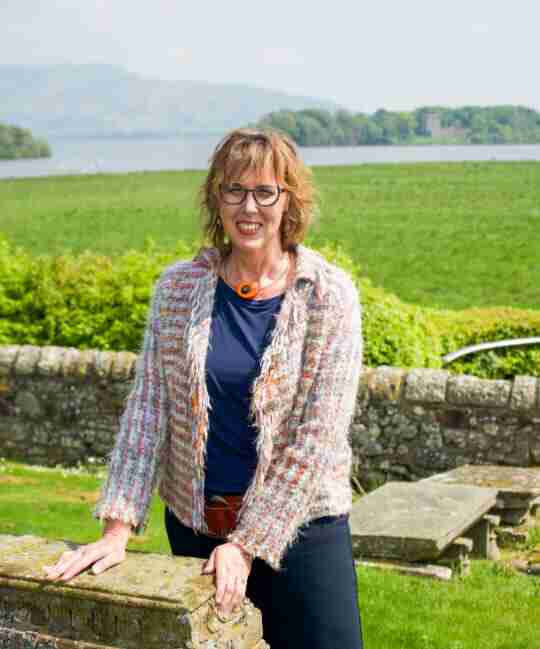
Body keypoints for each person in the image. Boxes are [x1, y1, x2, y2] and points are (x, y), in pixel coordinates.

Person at [44, 128, 364, 649]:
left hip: (303, 532)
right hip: (197, 528)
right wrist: (118, 527)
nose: (249, 207)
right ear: (216, 198)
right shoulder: (178, 288)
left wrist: (247, 544)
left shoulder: (329, 296)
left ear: (290, 199)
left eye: (266, 192)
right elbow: (149, 412)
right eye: (234, 190)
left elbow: (315, 440)